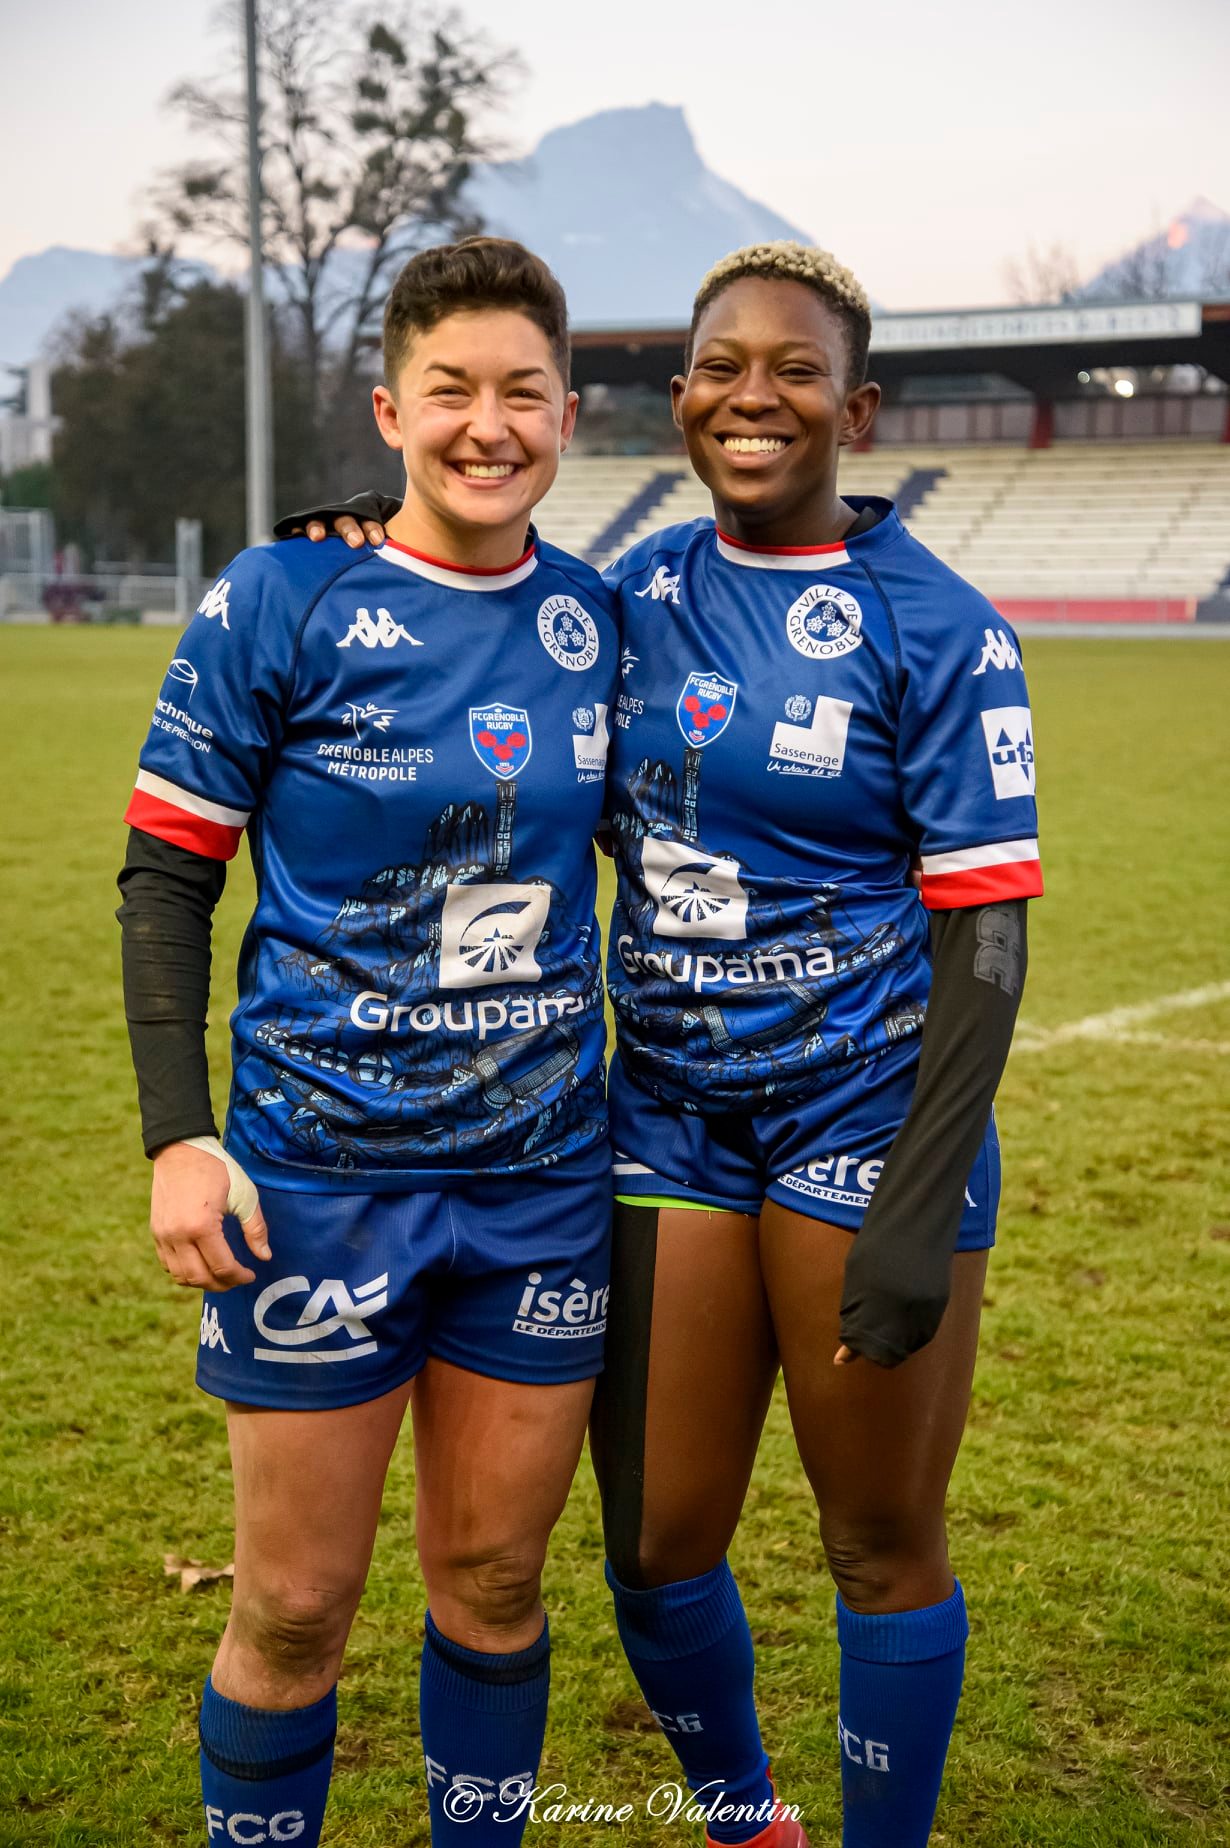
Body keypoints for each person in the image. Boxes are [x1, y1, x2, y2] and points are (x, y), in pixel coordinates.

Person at [289, 239, 1042, 1848]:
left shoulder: (941, 626)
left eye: (790, 367)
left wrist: (917, 1201)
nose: (747, 395)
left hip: (866, 1117)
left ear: (857, 403)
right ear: (680, 394)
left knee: (874, 1544)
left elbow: (985, 930)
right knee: (653, 1545)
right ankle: (743, 1818)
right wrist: (358, 543)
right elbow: (463, 594)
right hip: (670, 1120)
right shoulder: (621, 606)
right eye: (717, 365)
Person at [117, 237, 620, 1848]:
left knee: (492, 1580)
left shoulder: (601, 620)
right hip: (317, 1187)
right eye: (453, 392)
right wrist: (176, 1133)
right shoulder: (282, 596)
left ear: (567, 416)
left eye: (523, 394)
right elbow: (166, 874)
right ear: (390, 408)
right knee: (292, 1607)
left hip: (541, 1188)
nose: (490, 426)